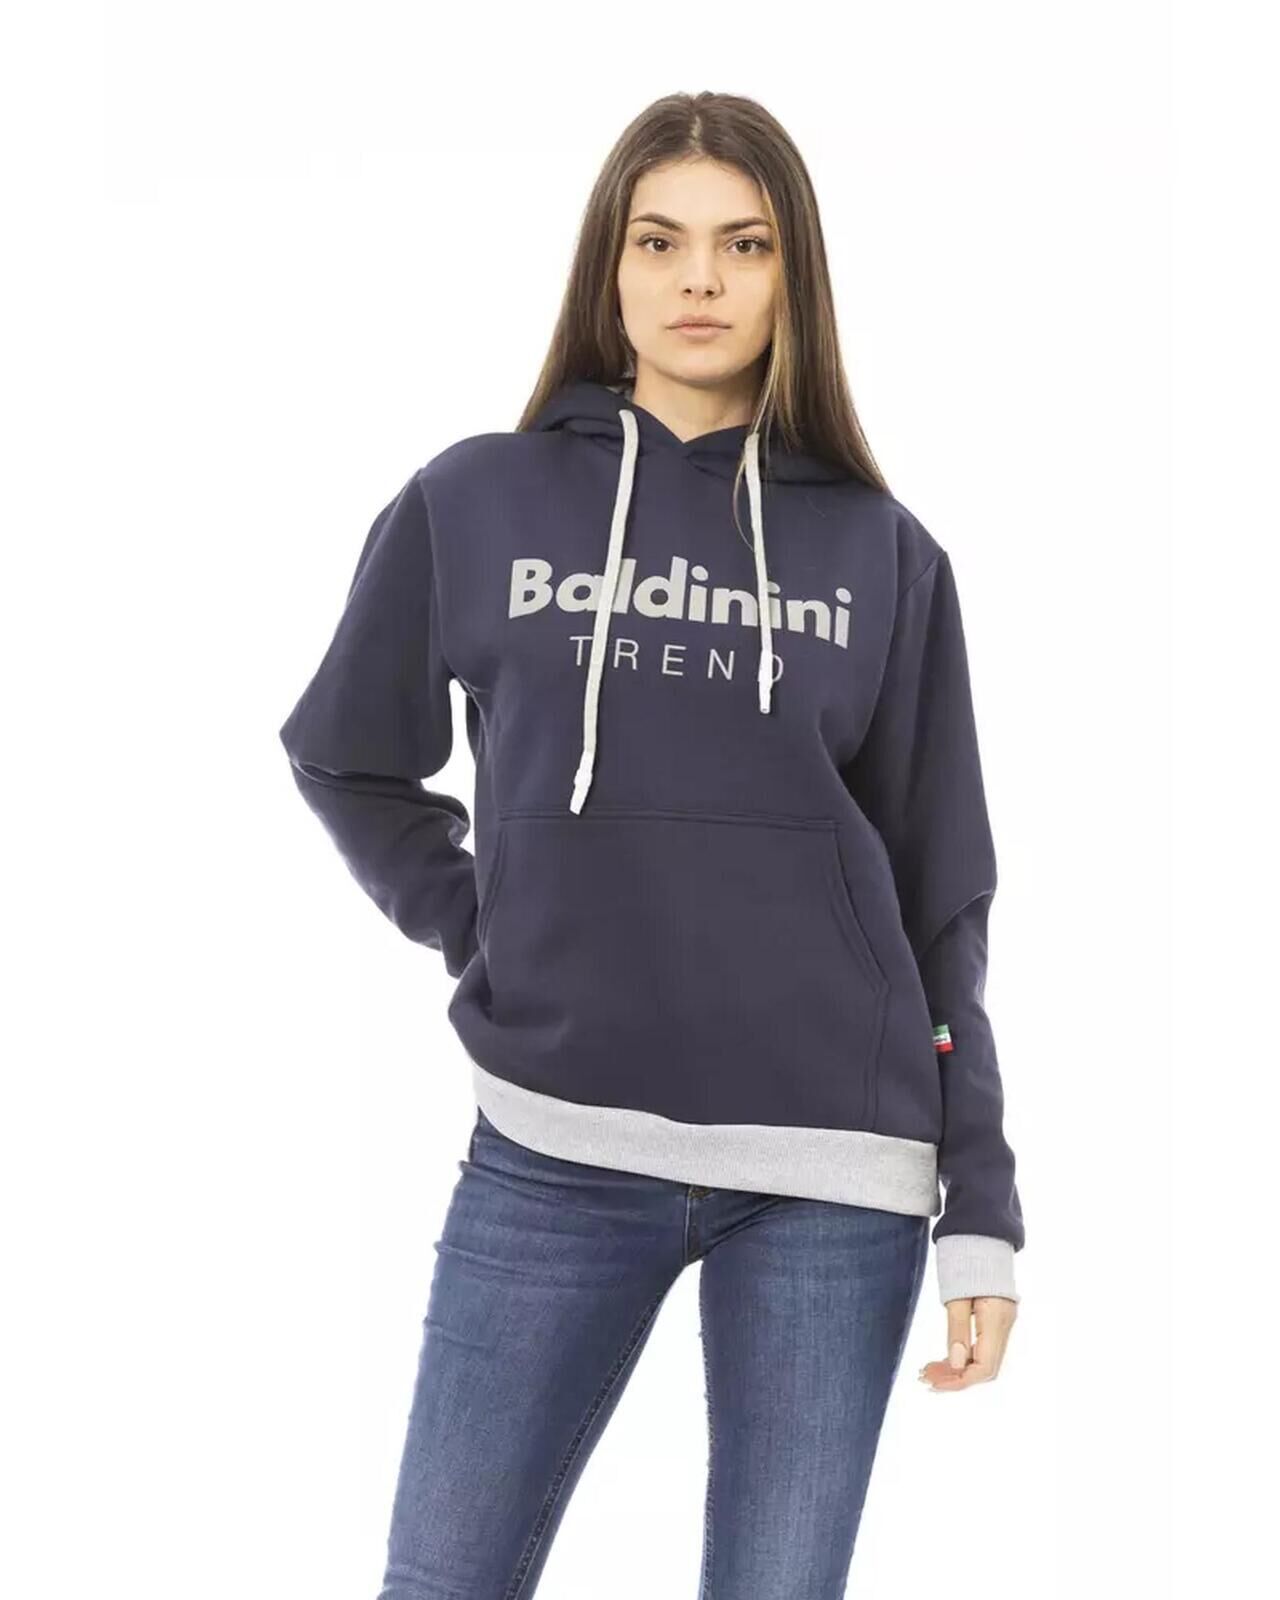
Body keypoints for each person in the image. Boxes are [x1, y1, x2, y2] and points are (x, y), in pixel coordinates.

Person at [278, 90, 1023, 1600]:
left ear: (793, 273)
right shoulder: (473, 500)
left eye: (745, 245)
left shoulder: (884, 551)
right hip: (553, 1145)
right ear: (606, 269)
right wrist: (482, 922)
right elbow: (345, 753)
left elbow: (942, 893)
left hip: (834, 1167)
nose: (700, 280)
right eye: (660, 241)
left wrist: (985, 1208)